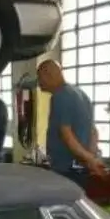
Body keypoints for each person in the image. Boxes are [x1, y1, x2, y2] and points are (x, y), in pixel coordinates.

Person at [37, 59, 105, 188]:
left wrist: (90, 159)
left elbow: (66, 135)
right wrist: (91, 157)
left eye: (39, 77)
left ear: (48, 74)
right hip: (80, 170)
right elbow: (93, 131)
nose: (38, 82)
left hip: (66, 171)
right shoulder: (80, 93)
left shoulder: (60, 96)